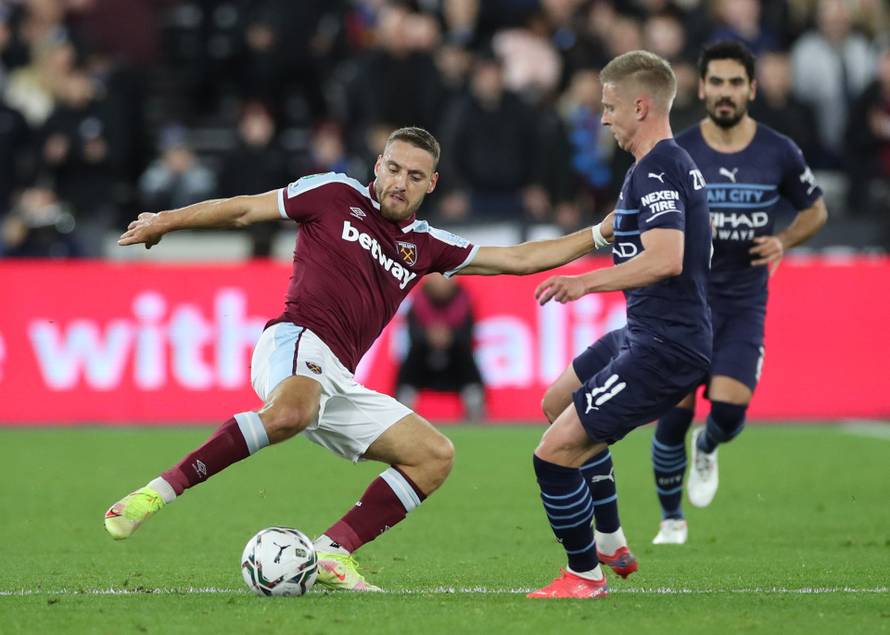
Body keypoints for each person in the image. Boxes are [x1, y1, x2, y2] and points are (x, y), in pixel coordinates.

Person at [104, 126, 601, 592]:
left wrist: (598, 234)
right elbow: (243, 211)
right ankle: (155, 493)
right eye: (393, 169)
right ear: (377, 165)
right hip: (296, 340)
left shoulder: (425, 245)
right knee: (291, 413)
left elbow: (521, 259)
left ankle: (332, 553)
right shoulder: (334, 194)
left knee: (433, 457)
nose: (399, 183)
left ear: (432, 183)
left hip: (338, 376)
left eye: (414, 176)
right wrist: (165, 221)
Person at [526, 50, 712, 599]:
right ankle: (608, 537)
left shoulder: (658, 167)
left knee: (553, 454)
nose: (603, 118)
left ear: (640, 105)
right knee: (557, 402)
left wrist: (584, 282)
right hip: (645, 331)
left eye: (609, 108)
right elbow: (621, 231)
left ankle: (584, 576)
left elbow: (666, 257)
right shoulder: (654, 167)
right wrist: (592, 238)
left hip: (665, 345)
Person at [650, 41, 827, 546]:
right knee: (673, 414)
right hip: (683, 306)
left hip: (743, 305)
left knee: (728, 411)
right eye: (717, 83)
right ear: (701, 88)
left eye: (735, 83)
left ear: (751, 88)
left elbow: (816, 209)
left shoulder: (779, 151)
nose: (725, 93)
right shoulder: (677, 153)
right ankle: (671, 519)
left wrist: (785, 240)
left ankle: (708, 447)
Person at [395, 274, 485, 422]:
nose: (441, 282)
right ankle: (400, 419)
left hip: (456, 363)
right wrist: (429, 337)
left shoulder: (464, 302)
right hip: (423, 362)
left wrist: (450, 337)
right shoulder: (417, 302)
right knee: (411, 362)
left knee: (467, 361)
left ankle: (476, 420)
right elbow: (413, 335)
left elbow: (468, 336)